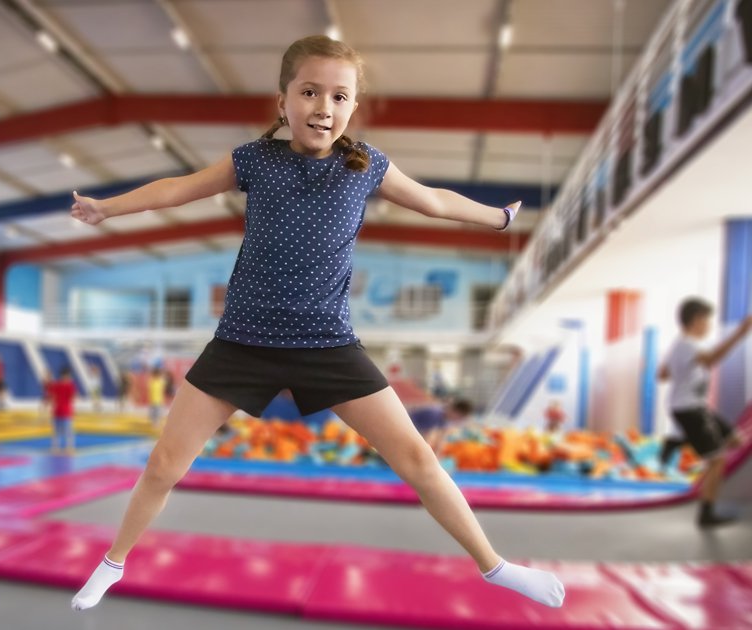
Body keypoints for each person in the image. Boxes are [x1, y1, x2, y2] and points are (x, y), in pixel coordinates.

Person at [68, 35, 562, 612]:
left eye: (338, 95)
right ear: (283, 102)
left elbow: (433, 201)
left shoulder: (368, 167)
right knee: (164, 464)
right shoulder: (254, 160)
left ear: (353, 107)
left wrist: (499, 220)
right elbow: (177, 190)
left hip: (328, 344)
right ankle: (113, 562)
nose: (322, 106)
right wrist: (108, 208)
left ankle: (495, 566)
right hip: (241, 343)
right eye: (309, 92)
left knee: (418, 459)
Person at [657, 298, 750, 527]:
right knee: (717, 461)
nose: (709, 325)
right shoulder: (688, 344)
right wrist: (740, 333)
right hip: (689, 409)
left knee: (737, 440)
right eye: (707, 320)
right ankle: (706, 515)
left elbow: (662, 374)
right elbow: (712, 360)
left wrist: (680, 371)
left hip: (695, 407)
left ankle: (679, 441)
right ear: (696, 320)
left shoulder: (680, 345)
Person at [46, 367, 77, 455]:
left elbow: (50, 396)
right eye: (69, 376)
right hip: (65, 411)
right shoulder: (70, 385)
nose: (69, 378)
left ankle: (56, 447)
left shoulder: (56, 384)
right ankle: (69, 447)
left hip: (58, 411)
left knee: (57, 432)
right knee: (68, 432)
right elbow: (73, 398)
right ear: (67, 376)